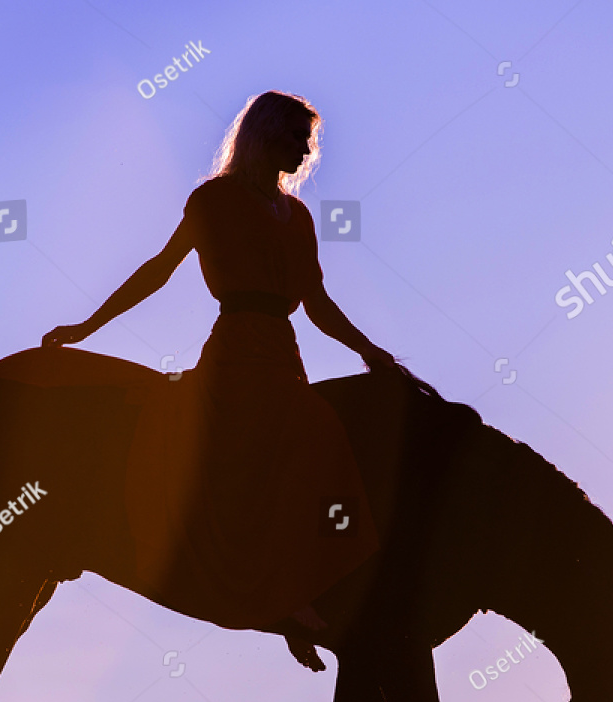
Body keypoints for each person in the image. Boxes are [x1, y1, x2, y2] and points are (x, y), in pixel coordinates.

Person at [43, 91, 400, 660]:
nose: (306, 150)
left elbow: (318, 303)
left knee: (321, 440)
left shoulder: (299, 216)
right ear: (264, 136)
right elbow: (158, 271)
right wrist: (88, 326)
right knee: (265, 447)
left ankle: (306, 589)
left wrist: (372, 353)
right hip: (236, 351)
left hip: (283, 353)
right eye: (295, 137)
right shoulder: (213, 200)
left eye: (308, 139)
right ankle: (282, 601)